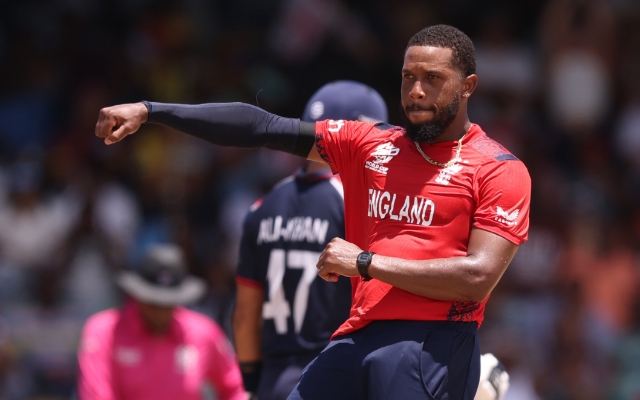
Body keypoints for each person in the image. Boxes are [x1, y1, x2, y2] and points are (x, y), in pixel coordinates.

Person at [95, 24, 531, 400]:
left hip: (431, 342)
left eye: (433, 79)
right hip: (357, 338)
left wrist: (363, 263)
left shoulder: (499, 168)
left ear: (468, 85)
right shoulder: (369, 143)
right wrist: (151, 111)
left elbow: (476, 279)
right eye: (408, 77)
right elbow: (261, 127)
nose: (416, 91)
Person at [232, 81, 388, 400]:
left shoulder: (262, 207)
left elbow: (246, 315)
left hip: (274, 383)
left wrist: (252, 383)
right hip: (335, 379)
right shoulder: (357, 204)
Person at [77, 244, 246, 400]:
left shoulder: (203, 333)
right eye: (153, 302)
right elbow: (96, 395)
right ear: (137, 295)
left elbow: (236, 388)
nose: (160, 311)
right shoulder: (104, 331)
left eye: (167, 303)